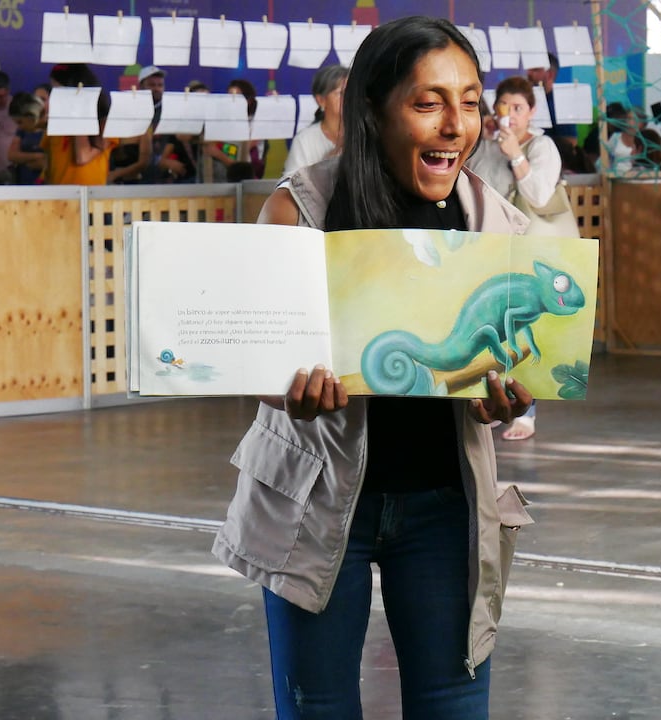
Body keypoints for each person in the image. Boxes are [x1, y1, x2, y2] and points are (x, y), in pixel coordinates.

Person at [211, 17, 534, 719]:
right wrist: (288, 392)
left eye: (471, 101)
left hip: (446, 507)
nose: (456, 125)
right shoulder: (298, 211)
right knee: (317, 706)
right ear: (370, 111)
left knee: (453, 701)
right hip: (318, 499)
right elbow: (255, 359)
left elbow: (518, 364)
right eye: (428, 103)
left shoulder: (497, 228)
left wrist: (507, 399)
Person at [466, 74, 579, 441]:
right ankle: (498, 403)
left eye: (518, 108)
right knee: (492, 328)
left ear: (531, 111)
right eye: (504, 107)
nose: (510, 115)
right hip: (491, 250)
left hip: (530, 254)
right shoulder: (486, 145)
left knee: (523, 328)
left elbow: (538, 195)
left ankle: (527, 409)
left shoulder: (542, 147)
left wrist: (515, 153)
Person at [43, 64, 117, 186]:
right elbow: (49, 167)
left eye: (59, 91)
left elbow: (82, 157)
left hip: (91, 196)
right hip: (59, 197)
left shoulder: (105, 123)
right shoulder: (55, 124)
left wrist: (80, 109)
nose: (55, 97)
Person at [283, 64, 348, 176]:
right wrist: (329, 163)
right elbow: (291, 187)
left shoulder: (366, 133)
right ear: (321, 100)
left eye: (351, 92)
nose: (348, 97)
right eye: (341, 93)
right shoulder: (304, 141)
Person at [206, 78, 265, 181]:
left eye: (236, 97)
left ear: (249, 101)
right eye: (229, 96)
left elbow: (241, 161)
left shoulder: (255, 124)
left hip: (245, 181)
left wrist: (218, 154)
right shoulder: (220, 123)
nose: (231, 101)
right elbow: (208, 148)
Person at [7, 92, 46, 185]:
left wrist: (25, 158)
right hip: (25, 184)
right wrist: (38, 156)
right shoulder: (22, 132)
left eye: (20, 122)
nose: (19, 127)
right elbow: (11, 155)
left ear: (31, 117)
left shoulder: (52, 132)